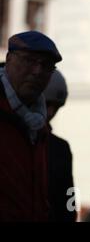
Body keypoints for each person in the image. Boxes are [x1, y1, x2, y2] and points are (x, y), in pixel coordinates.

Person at [0, 31, 62, 221]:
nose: (37, 71)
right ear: (9, 59)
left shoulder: (37, 126)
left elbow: (67, 196)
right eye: (29, 60)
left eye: (46, 66)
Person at [44, 69, 77, 222]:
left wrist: (71, 215)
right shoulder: (60, 148)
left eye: (56, 107)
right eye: (47, 104)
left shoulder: (61, 148)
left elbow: (69, 196)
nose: (50, 112)